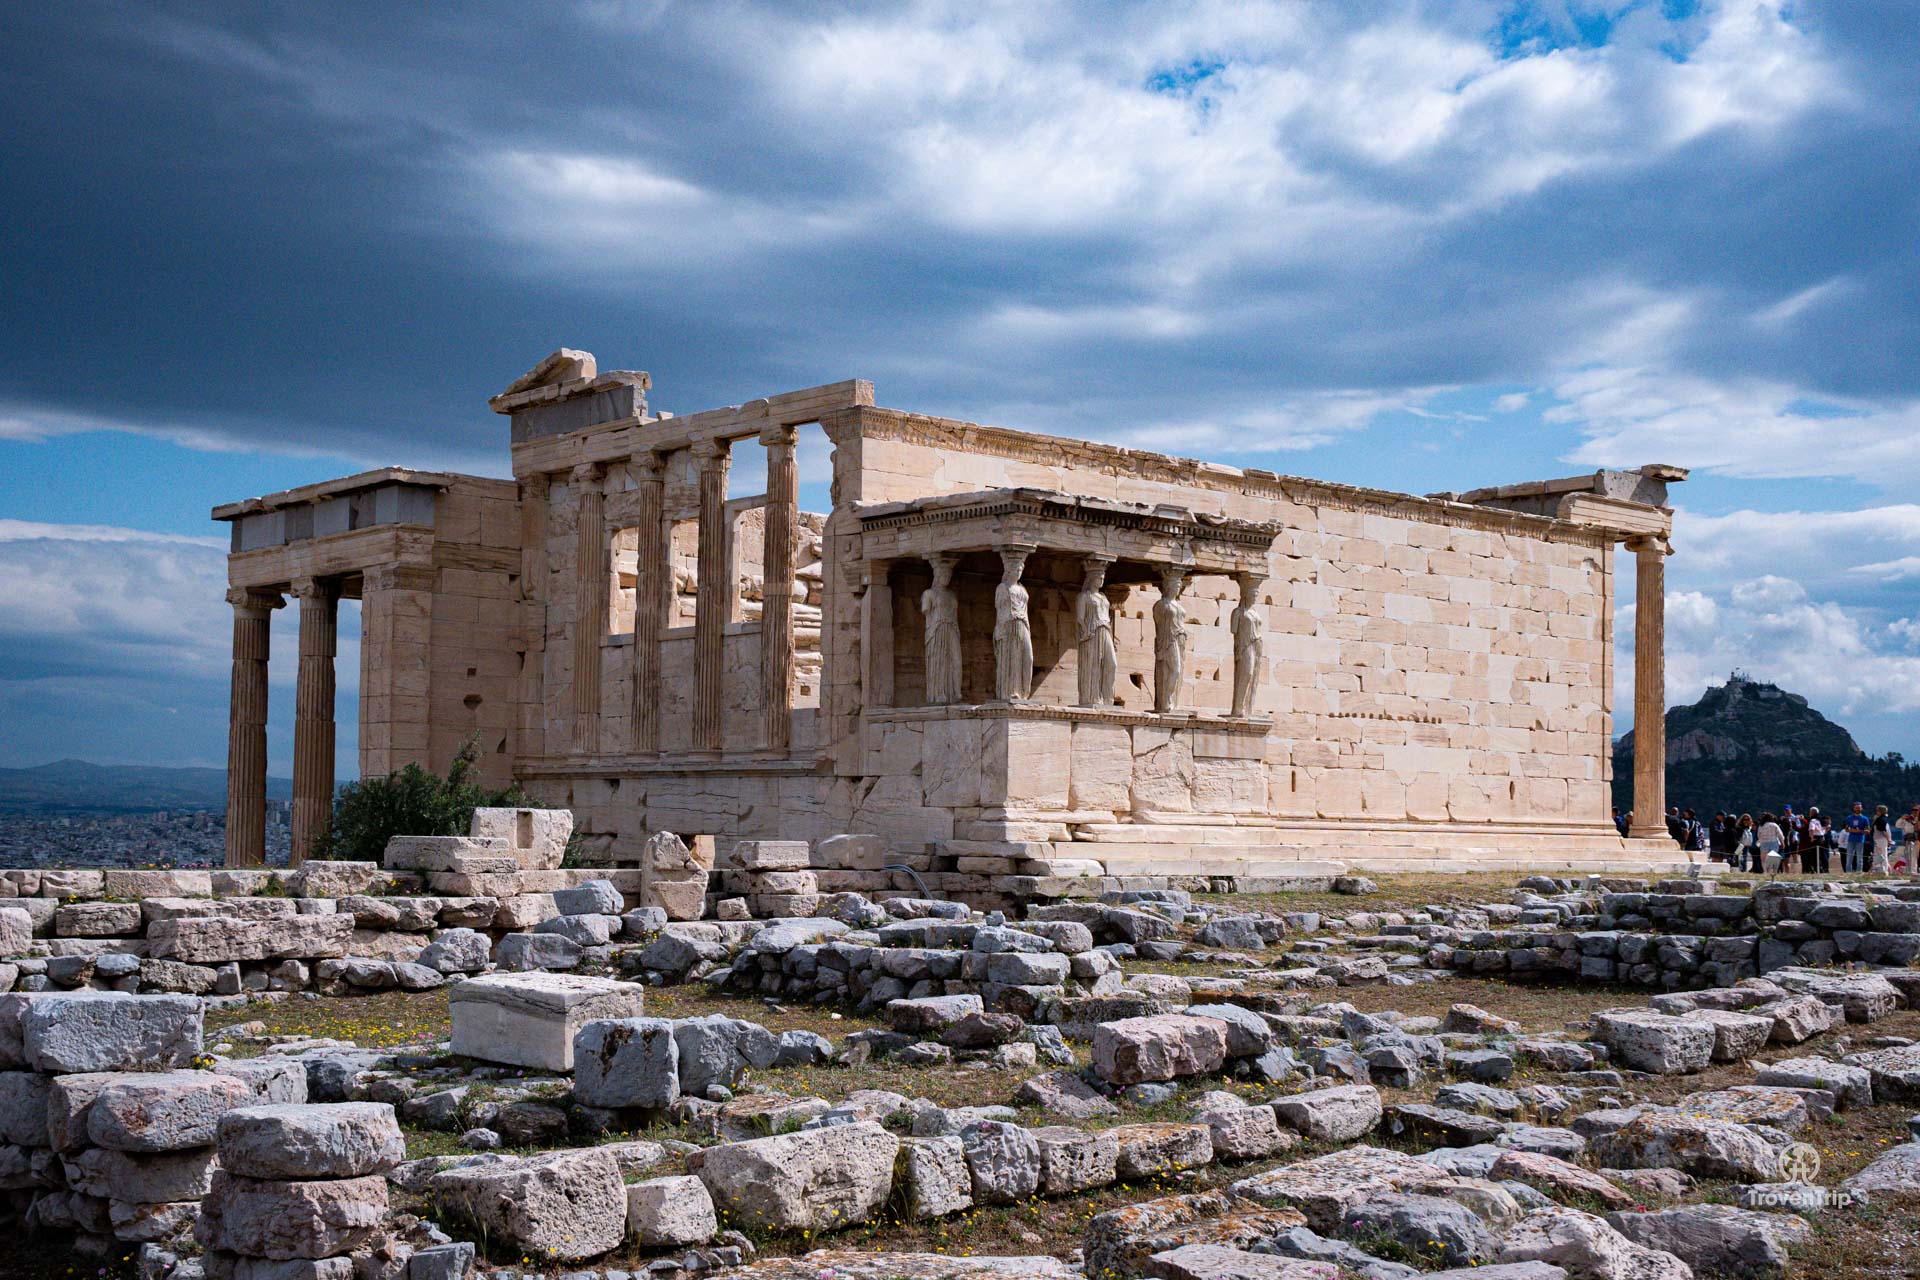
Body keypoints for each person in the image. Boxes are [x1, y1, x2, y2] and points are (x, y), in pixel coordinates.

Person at [1844, 803, 1871, 873]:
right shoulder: (1849, 818)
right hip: (1851, 839)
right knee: (1849, 857)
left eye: (1859, 808)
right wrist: (1851, 830)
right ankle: (1848, 872)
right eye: (1856, 808)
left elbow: (1868, 831)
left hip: (1860, 840)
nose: (1857, 809)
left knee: (1859, 857)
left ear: (1861, 809)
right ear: (1854, 808)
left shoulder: (1865, 818)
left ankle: (1859, 871)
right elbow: (1846, 829)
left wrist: (1860, 831)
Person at [1871, 805, 1894, 876]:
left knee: (1883, 854)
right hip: (1878, 839)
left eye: (1877, 810)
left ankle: (1885, 869)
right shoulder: (1881, 819)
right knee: (1879, 854)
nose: (1876, 812)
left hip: (1881, 839)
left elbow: (1883, 831)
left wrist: (1889, 840)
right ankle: (1878, 869)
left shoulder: (1881, 820)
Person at [1805, 808, 1828, 875]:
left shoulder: (1813, 820)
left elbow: (1812, 829)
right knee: (1822, 854)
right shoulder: (1821, 820)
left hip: (1815, 838)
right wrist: (1823, 836)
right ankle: (1823, 869)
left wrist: (1812, 838)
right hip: (1822, 837)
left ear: (1812, 813)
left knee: (1814, 855)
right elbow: (1825, 829)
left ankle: (1816, 869)